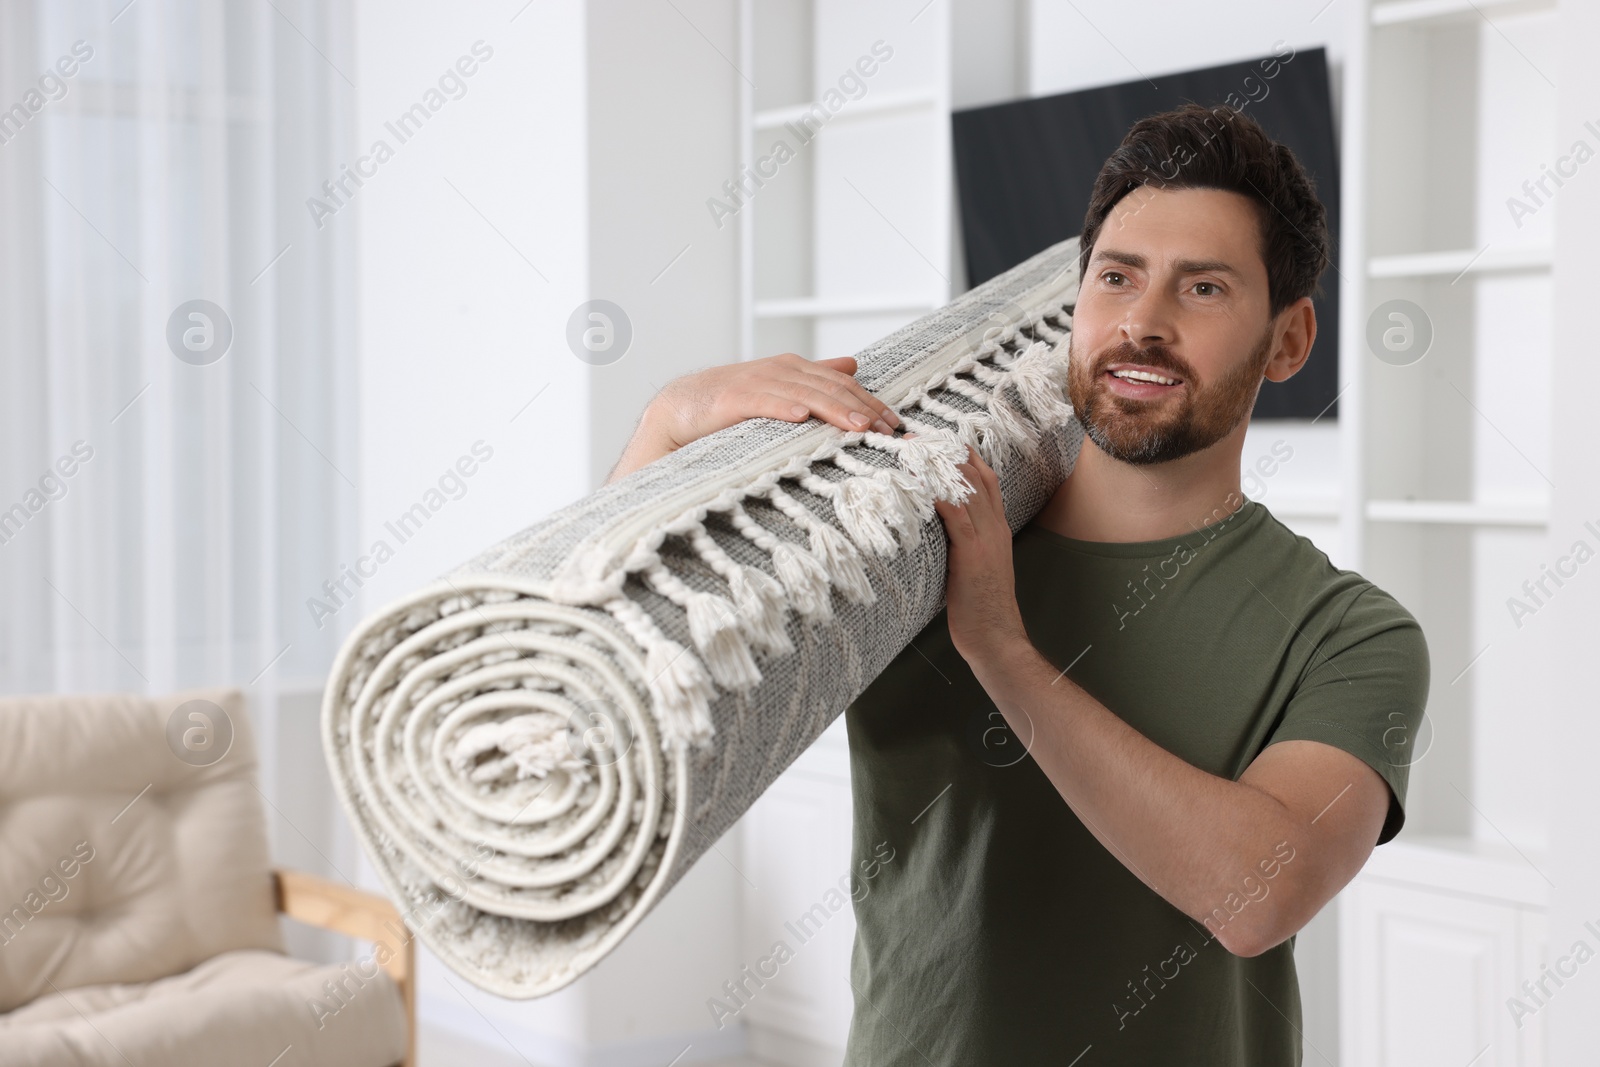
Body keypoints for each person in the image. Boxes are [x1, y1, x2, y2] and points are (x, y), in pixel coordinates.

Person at [606, 102, 1428, 1065]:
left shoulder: (1352, 632)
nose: (1142, 323)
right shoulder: (910, 543)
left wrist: (1000, 645)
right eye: (1116, 278)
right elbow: (628, 704)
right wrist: (668, 425)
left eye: (1203, 289)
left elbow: (1259, 894)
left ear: (1289, 342)